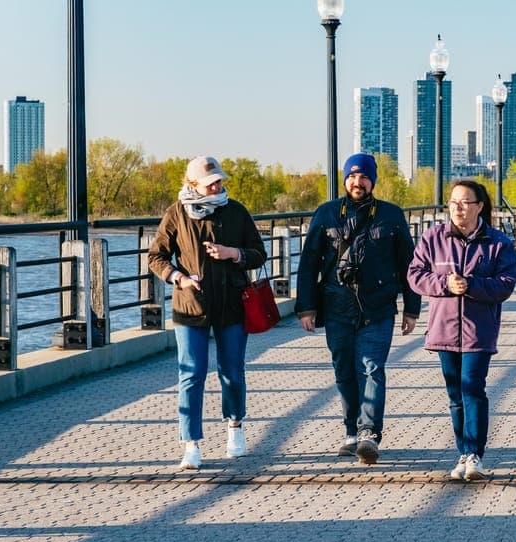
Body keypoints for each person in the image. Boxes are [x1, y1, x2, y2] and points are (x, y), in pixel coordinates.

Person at [295, 153, 421, 465]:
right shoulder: (326, 214)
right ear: (345, 179)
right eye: (352, 176)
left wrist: (412, 308)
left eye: (364, 176)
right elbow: (309, 263)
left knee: (372, 368)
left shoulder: (391, 216)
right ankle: (351, 431)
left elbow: (409, 264)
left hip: (378, 307)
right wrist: (306, 307)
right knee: (344, 370)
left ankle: (369, 434)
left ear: (372, 181)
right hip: (337, 306)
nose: (358, 181)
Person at [148, 155, 267, 470]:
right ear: (192, 185)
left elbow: (259, 253)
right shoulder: (176, 214)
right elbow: (156, 255)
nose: (217, 186)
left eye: (219, 181)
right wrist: (179, 278)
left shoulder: (236, 211)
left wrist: (234, 253)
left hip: (231, 306)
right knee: (191, 374)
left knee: (232, 371)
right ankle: (191, 444)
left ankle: (235, 427)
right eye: (210, 183)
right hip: (190, 308)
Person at [407, 180, 516, 480]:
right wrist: (444, 284)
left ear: (479, 206)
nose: (457, 207)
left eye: (465, 202)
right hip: (443, 329)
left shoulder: (497, 243)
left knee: (472, 387)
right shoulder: (433, 237)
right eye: (453, 202)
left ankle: (474, 454)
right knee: (455, 393)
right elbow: (415, 276)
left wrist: (471, 286)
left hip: (478, 330)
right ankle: (462, 452)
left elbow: (505, 284)